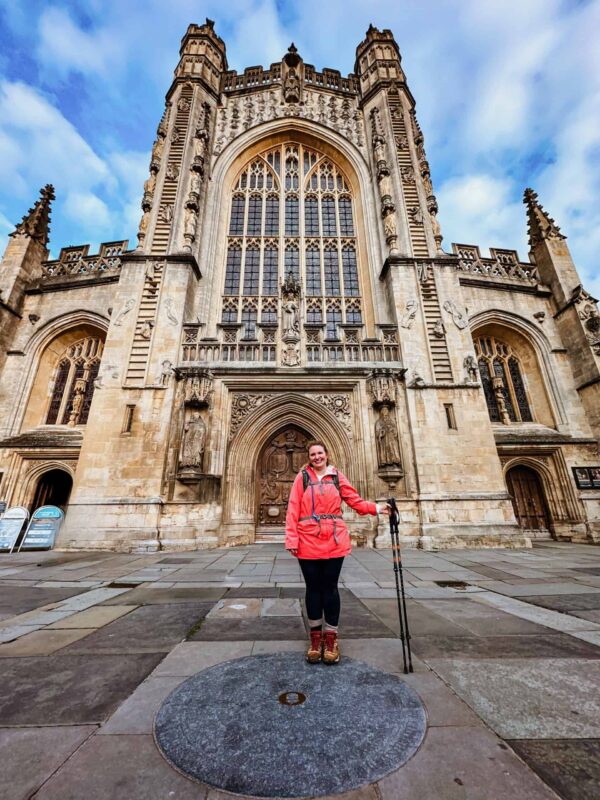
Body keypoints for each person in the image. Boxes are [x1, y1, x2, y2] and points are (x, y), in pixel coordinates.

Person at [285, 440, 389, 665]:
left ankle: (331, 639)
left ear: (327, 454)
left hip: (334, 539)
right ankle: (315, 639)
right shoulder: (302, 477)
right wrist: (291, 538)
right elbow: (293, 508)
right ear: (309, 457)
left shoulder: (337, 477)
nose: (317, 457)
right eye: (313, 454)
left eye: (320, 453)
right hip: (308, 539)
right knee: (313, 588)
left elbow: (355, 501)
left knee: (330, 587)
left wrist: (377, 508)